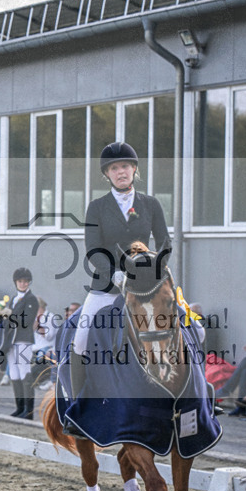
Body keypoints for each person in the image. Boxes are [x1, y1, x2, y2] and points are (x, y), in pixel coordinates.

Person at [73, 142, 171, 359]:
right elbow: (92, 248)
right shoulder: (97, 207)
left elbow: (165, 242)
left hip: (147, 286)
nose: (120, 172)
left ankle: (197, 389)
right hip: (108, 286)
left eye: (125, 166)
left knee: (195, 329)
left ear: (134, 169)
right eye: (114, 168)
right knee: (80, 341)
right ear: (107, 174)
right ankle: (76, 393)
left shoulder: (151, 204)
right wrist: (113, 273)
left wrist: (156, 268)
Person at [1, 268, 38, 418]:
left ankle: (28, 411)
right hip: (12, 340)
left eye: (25, 281)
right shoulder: (13, 299)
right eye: (20, 281)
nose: (23, 284)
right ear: (16, 282)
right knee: (14, 374)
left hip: (24, 339)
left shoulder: (31, 299)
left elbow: (26, 320)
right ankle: (20, 407)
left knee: (24, 373)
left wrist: (11, 316)